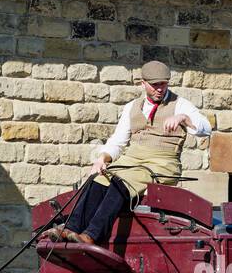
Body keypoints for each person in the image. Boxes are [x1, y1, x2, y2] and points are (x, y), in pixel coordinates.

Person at [45, 60, 211, 247]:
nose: (160, 89)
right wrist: (102, 158)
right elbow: (118, 141)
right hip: (131, 159)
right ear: (143, 83)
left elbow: (206, 128)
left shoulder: (180, 104)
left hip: (161, 164)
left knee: (120, 183)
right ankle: (71, 228)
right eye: (155, 85)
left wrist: (184, 118)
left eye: (163, 84)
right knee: (96, 181)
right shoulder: (132, 106)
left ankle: (91, 236)